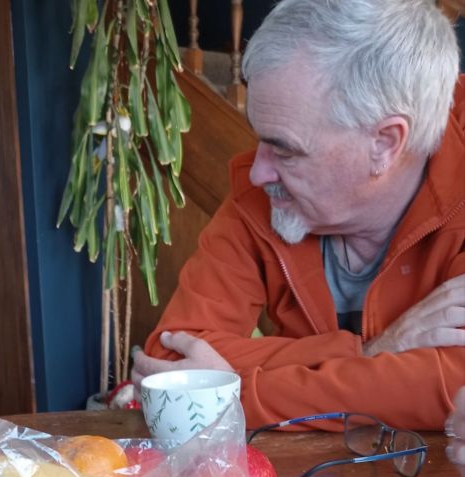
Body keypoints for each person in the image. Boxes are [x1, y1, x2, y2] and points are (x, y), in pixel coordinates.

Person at [132, 0, 465, 432]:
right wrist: (371, 351)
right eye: (260, 139)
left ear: (385, 143)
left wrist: (234, 397)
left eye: (285, 150)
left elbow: (453, 386)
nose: (257, 172)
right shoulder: (265, 193)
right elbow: (171, 362)